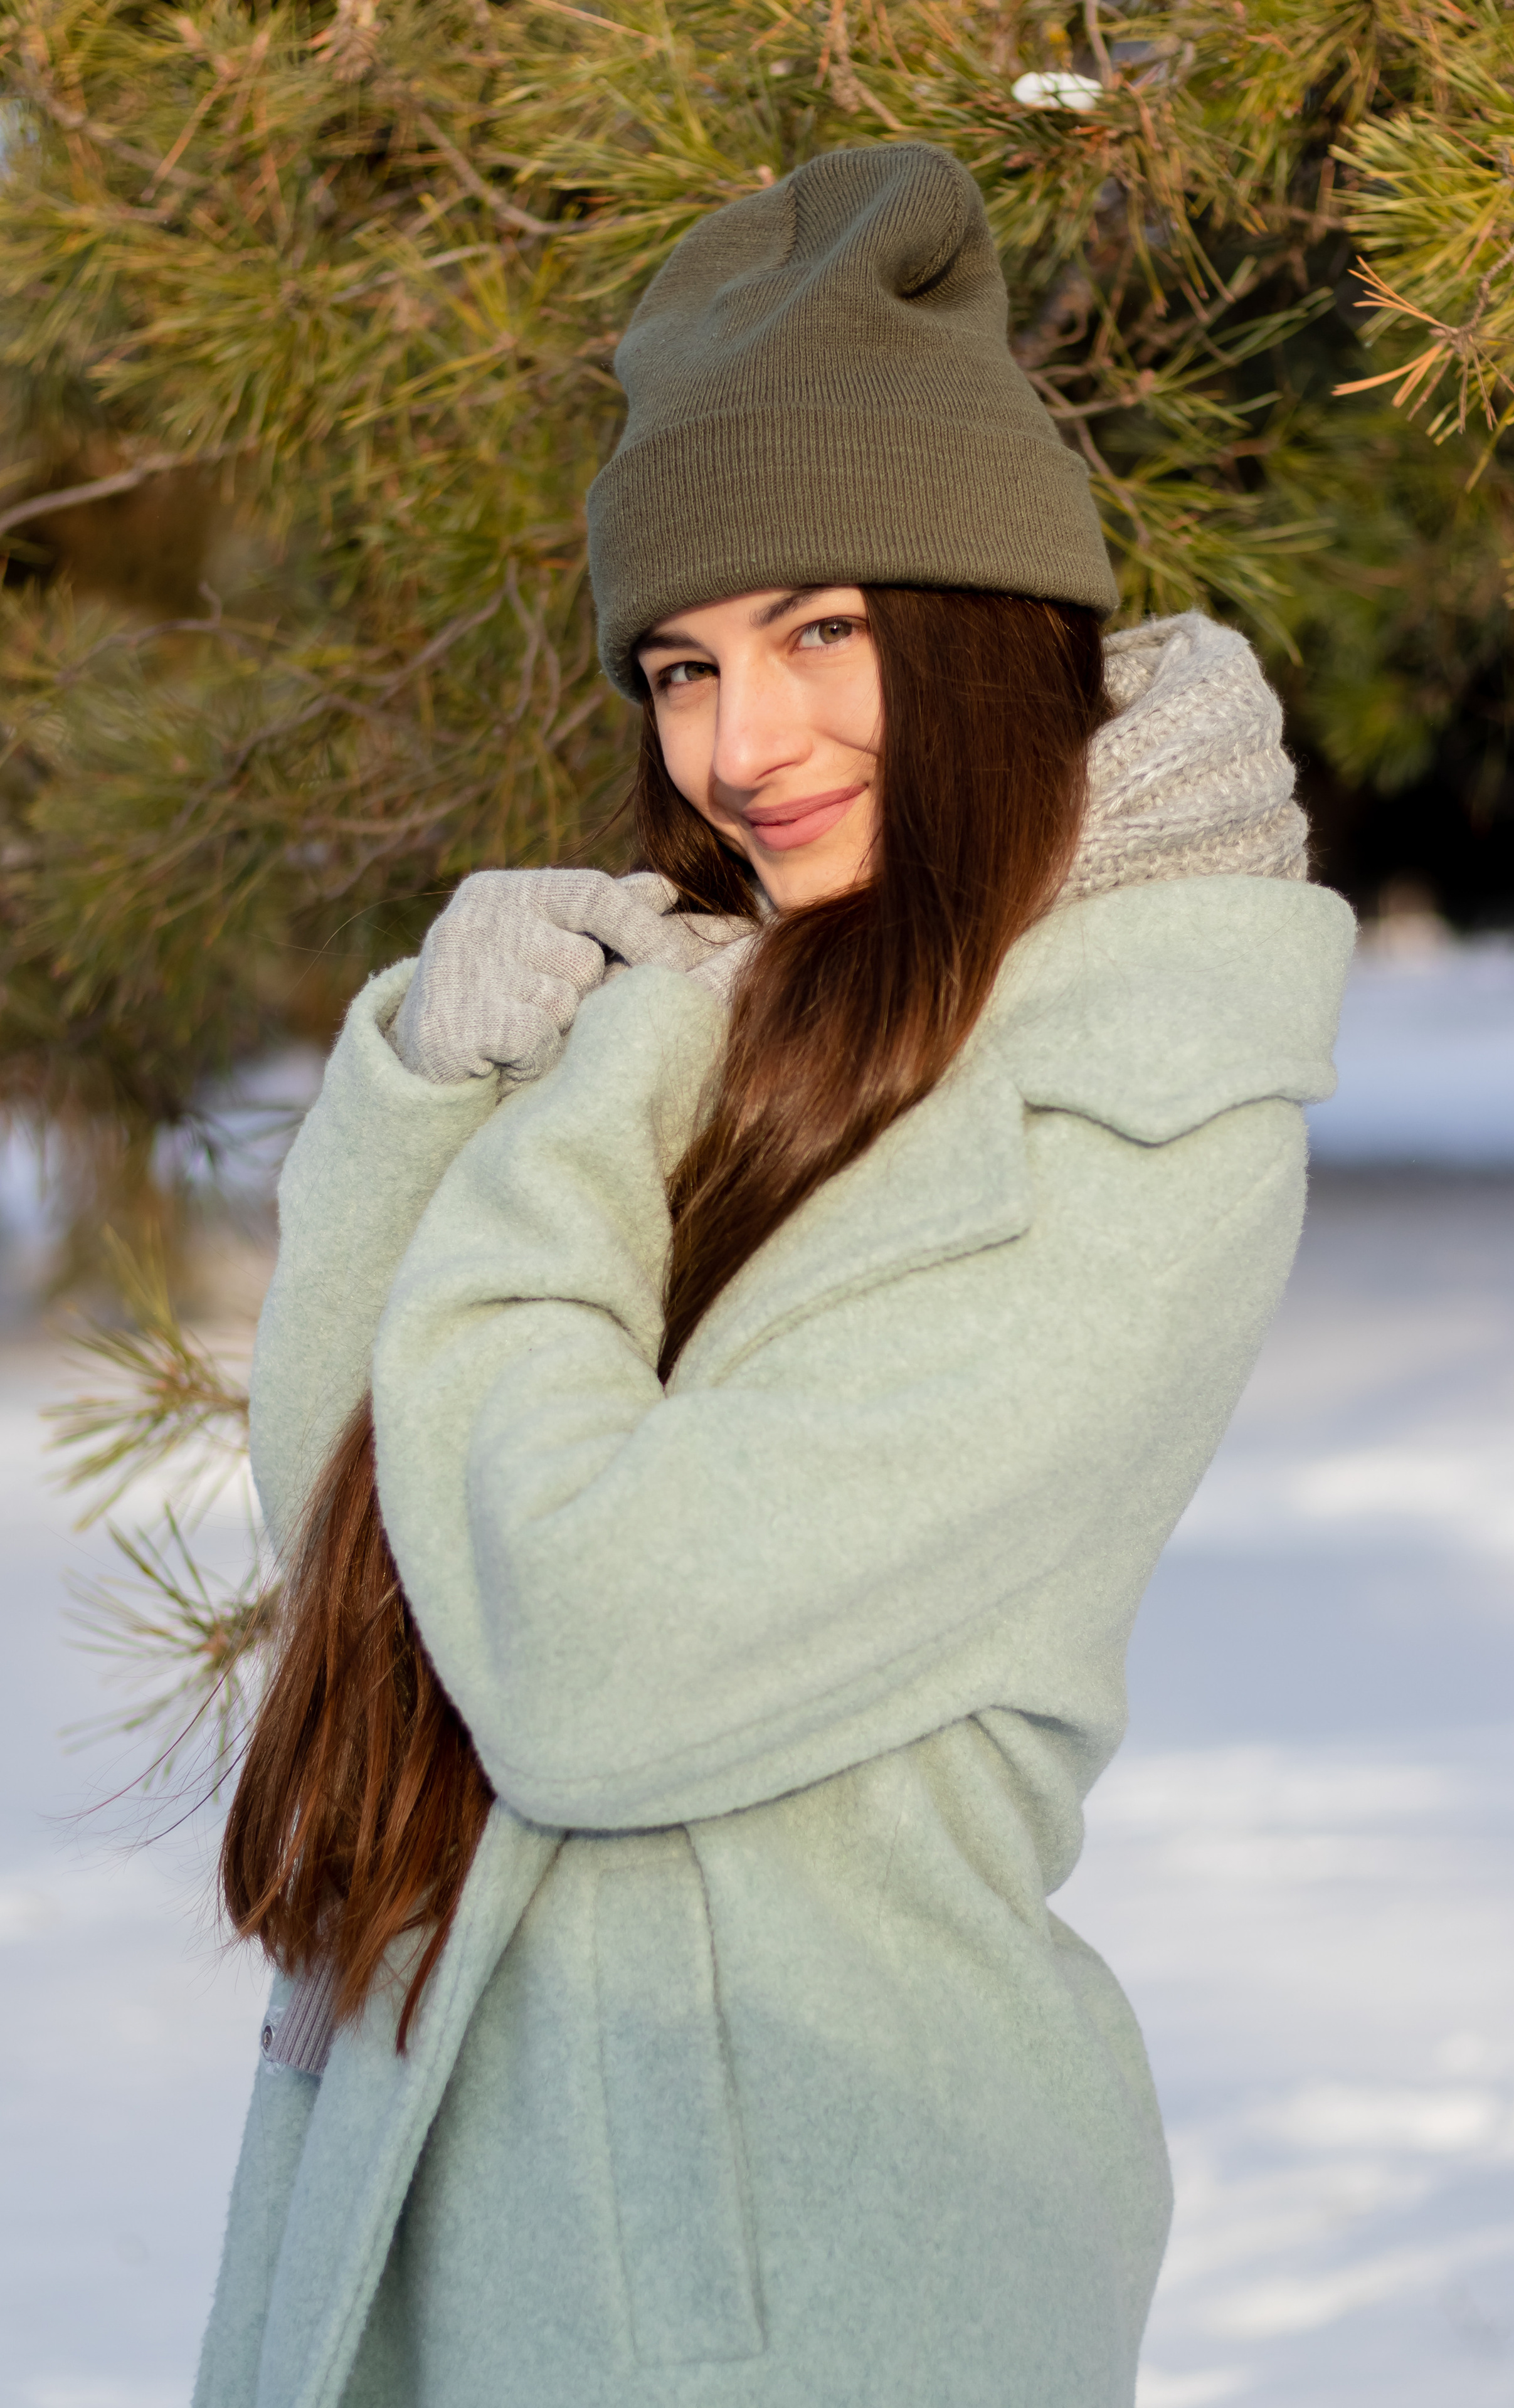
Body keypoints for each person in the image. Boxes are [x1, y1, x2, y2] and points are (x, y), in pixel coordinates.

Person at [194, 143, 1353, 2408]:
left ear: (983, 627)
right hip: (473, 2181)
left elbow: (596, 1658)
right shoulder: (771, 997)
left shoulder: (1137, 1101)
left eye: (824, 632)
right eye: (684, 666)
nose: (743, 750)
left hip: (806, 2255)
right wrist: (435, 1089)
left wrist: (588, 1111)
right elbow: (362, 1523)